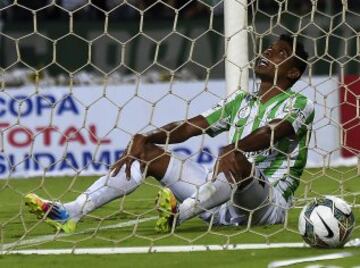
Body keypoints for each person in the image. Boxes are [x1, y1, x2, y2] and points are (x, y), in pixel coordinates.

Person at [25, 34, 314, 234]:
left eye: (280, 54)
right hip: (218, 200)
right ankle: (71, 212)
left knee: (235, 159)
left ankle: (180, 213)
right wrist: (147, 137)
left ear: (293, 74)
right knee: (146, 155)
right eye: (269, 48)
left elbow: (270, 133)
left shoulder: (300, 104)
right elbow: (189, 127)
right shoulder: (240, 101)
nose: (268, 53)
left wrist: (234, 148)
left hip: (267, 205)